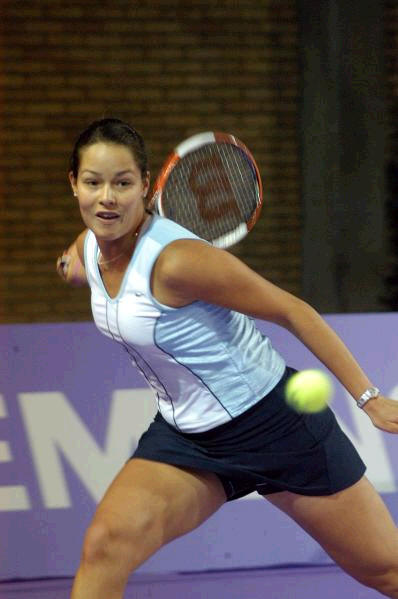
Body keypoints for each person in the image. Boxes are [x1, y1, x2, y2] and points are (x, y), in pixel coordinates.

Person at [57, 117, 398, 599]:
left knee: (385, 571)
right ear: (74, 185)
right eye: (93, 182)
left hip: (276, 428)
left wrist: (370, 399)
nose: (107, 197)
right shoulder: (90, 247)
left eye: (122, 183)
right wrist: (69, 267)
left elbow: (292, 311)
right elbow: (77, 264)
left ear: (146, 185)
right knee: (106, 546)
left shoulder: (178, 261)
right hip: (189, 439)